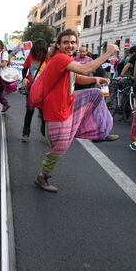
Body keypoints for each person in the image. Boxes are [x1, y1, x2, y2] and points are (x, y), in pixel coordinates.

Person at [33, 29, 119, 193]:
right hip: (56, 110)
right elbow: (85, 69)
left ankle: (100, 132)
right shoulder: (60, 58)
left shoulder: (67, 60)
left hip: (68, 102)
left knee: (95, 94)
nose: (70, 45)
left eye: (73, 42)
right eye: (65, 42)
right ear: (58, 45)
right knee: (59, 148)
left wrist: (95, 79)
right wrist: (108, 53)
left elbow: (77, 78)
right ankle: (42, 177)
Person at [20, 39, 50, 142]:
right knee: (29, 111)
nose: (37, 53)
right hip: (31, 89)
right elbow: (24, 69)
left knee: (44, 112)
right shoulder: (31, 56)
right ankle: (26, 134)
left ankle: (44, 132)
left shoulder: (48, 58)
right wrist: (24, 78)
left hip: (44, 90)